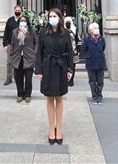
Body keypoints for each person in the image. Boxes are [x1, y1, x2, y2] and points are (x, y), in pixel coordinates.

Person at [35, 8, 73, 145]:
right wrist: (38, 70)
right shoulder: (43, 32)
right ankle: (51, 129)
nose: (52, 18)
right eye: (50, 16)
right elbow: (38, 52)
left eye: (54, 16)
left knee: (60, 98)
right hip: (48, 67)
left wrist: (70, 69)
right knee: (50, 98)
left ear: (60, 18)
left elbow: (69, 52)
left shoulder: (66, 33)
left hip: (61, 67)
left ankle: (59, 129)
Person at [10, 15, 38, 103]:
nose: (23, 22)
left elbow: (36, 42)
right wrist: (11, 54)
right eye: (21, 20)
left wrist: (34, 53)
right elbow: (12, 44)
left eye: (24, 20)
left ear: (27, 22)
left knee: (28, 79)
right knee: (18, 78)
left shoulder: (31, 31)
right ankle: (20, 94)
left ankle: (27, 95)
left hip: (28, 57)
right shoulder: (15, 31)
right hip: (17, 57)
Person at [84, 22, 106, 105]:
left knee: (100, 81)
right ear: (91, 31)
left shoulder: (102, 39)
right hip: (91, 63)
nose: (96, 30)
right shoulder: (87, 40)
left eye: (97, 28)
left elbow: (103, 48)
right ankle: (94, 96)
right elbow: (85, 50)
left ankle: (99, 96)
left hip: (100, 63)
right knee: (92, 81)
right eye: (94, 29)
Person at [2, 5, 23, 85]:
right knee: (9, 61)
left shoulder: (23, 20)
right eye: (16, 10)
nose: (17, 11)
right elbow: (6, 32)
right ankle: (9, 78)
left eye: (19, 10)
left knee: (20, 61)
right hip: (10, 43)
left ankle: (19, 77)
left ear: (21, 11)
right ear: (14, 10)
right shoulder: (10, 20)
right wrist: (5, 44)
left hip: (20, 44)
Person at [64, 16, 79, 87]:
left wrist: (78, 50)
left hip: (74, 52)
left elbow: (78, 40)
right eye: (66, 22)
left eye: (69, 22)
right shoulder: (62, 30)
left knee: (73, 66)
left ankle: (71, 81)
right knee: (65, 66)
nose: (67, 23)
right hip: (65, 52)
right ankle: (66, 80)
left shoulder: (75, 29)